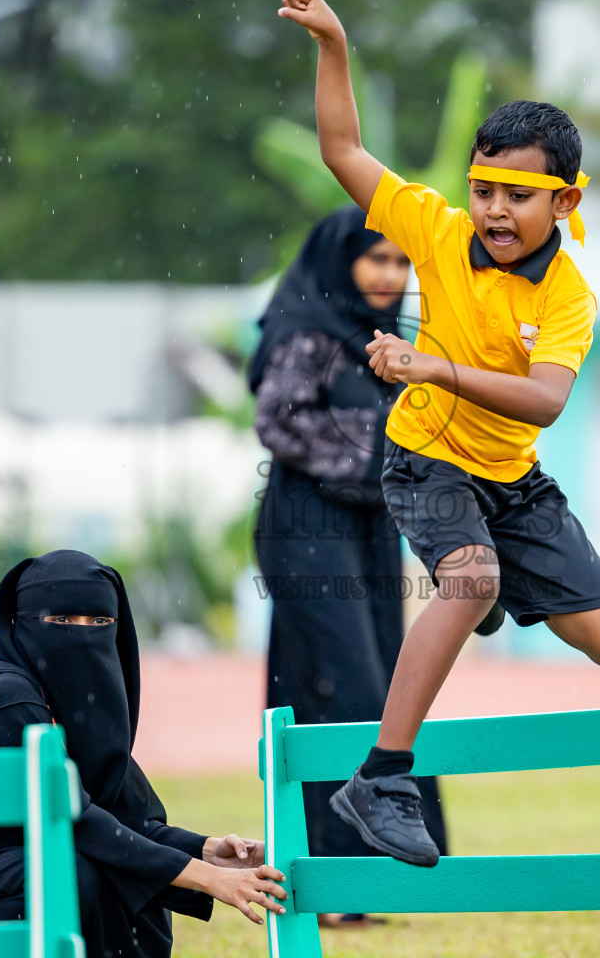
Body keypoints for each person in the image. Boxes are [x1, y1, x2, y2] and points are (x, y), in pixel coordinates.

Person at [277, 0, 600, 868]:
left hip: (513, 479)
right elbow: (342, 148)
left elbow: (547, 401)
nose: (494, 212)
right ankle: (382, 780)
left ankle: (479, 579)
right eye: (483, 189)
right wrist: (335, 44)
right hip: (425, 457)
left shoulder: (568, 298)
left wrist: (433, 363)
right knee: (470, 583)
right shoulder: (436, 232)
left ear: (566, 201)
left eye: (519, 194)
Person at [0, 550, 287, 958]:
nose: (82, 638)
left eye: (100, 624)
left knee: (104, 872)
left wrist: (207, 851)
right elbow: (79, 823)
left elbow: (123, 822)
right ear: (21, 623)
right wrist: (207, 880)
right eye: (62, 621)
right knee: (73, 870)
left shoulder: (76, 717)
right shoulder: (9, 699)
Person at [249, 205, 449, 925]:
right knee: (343, 683)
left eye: (401, 263)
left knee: (375, 679)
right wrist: (379, 447)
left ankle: (369, 879)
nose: (390, 276)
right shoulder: (308, 330)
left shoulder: (389, 342)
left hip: (368, 524)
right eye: (377, 259)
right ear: (343, 262)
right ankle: (335, 878)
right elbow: (278, 417)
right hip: (307, 525)